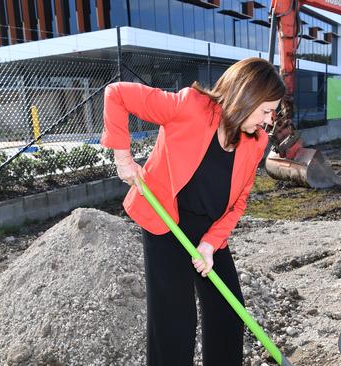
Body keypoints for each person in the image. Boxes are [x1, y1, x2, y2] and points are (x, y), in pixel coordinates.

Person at [101, 57, 285, 366]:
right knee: (175, 321)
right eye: (266, 110)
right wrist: (123, 157)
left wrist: (211, 244)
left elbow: (239, 201)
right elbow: (117, 94)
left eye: (273, 113)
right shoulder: (190, 106)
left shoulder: (256, 142)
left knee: (228, 310)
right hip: (166, 222)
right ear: (244, 95)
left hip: (208, 231)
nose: (268, 120)